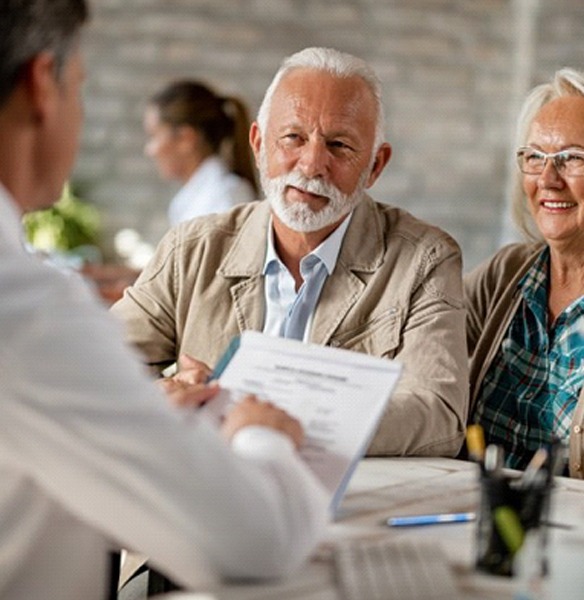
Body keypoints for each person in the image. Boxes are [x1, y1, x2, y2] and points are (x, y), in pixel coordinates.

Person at [0, 2, 329, 599]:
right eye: (79, 87)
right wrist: (258, 432)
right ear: (41, 85)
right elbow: (258, 539)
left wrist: (136, 412)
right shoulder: (31, 310)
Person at [112, 47, 469, 457]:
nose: (312, 164)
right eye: (293, 138)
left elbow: (438, 414)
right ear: (259, 143)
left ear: (375, 166)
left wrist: (276, 421)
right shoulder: (190, 248)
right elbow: (96, 366)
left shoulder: (425, 260)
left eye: (339, 146)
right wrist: (164, 395)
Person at [465, 67, 584, 476]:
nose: (548, 180)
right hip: (476, 513)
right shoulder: (504, 273)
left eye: (572, 159)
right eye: (536, 157)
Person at [144, 79, 258, 226]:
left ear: (186, 138)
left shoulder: (226, 197)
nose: (150, 150)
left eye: (154, 136)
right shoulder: (193, 198)